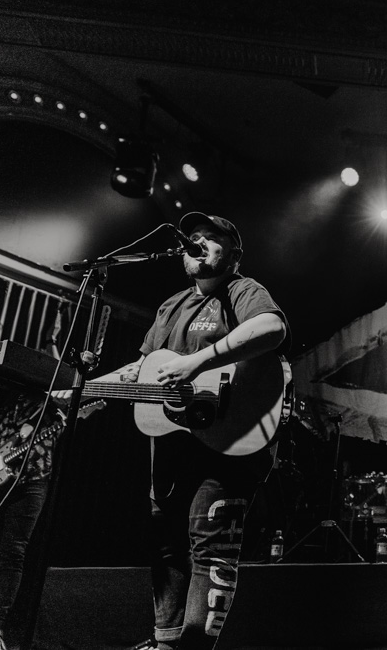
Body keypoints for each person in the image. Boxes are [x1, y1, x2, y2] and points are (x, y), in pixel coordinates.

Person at [90, 212, 290, 650]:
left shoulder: (242, 290)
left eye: (211, 237)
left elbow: (271, 328)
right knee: (164, 543)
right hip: (173, 444)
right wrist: (88, 391)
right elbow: (142, 368)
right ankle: (166, 642)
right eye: (193, 237)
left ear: (234, 254)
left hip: (230, 441)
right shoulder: (171, 305)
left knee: (210, 546)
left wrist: (196, 363)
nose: (198, 242)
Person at [0, 392, 66, 650]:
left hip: (32, 480)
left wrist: (61, 410)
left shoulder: (53, 404)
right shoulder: (13, 399)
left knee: (12, 554)